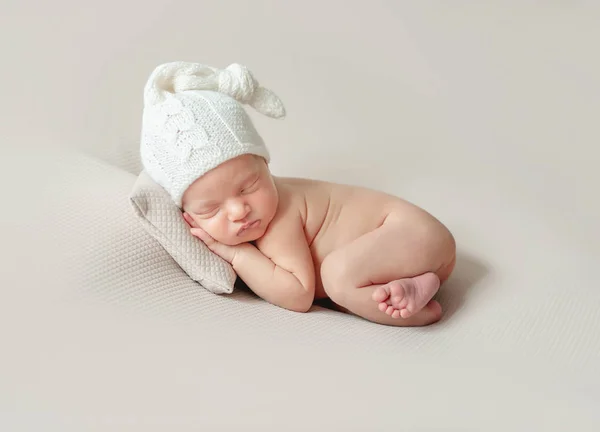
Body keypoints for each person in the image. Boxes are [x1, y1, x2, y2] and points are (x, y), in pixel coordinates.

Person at [140, 61, 456, 326]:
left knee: (337, 277)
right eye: (210, 209)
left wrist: (238, 254)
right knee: (341, 290)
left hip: (412, 233)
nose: (239, 210)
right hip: (409, 251)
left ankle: (421, 312)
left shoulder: (279, 217)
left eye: (249, 186)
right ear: (188, 214)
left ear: (266, 166)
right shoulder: (251, 212)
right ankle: (413, 286)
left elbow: (299, 294)